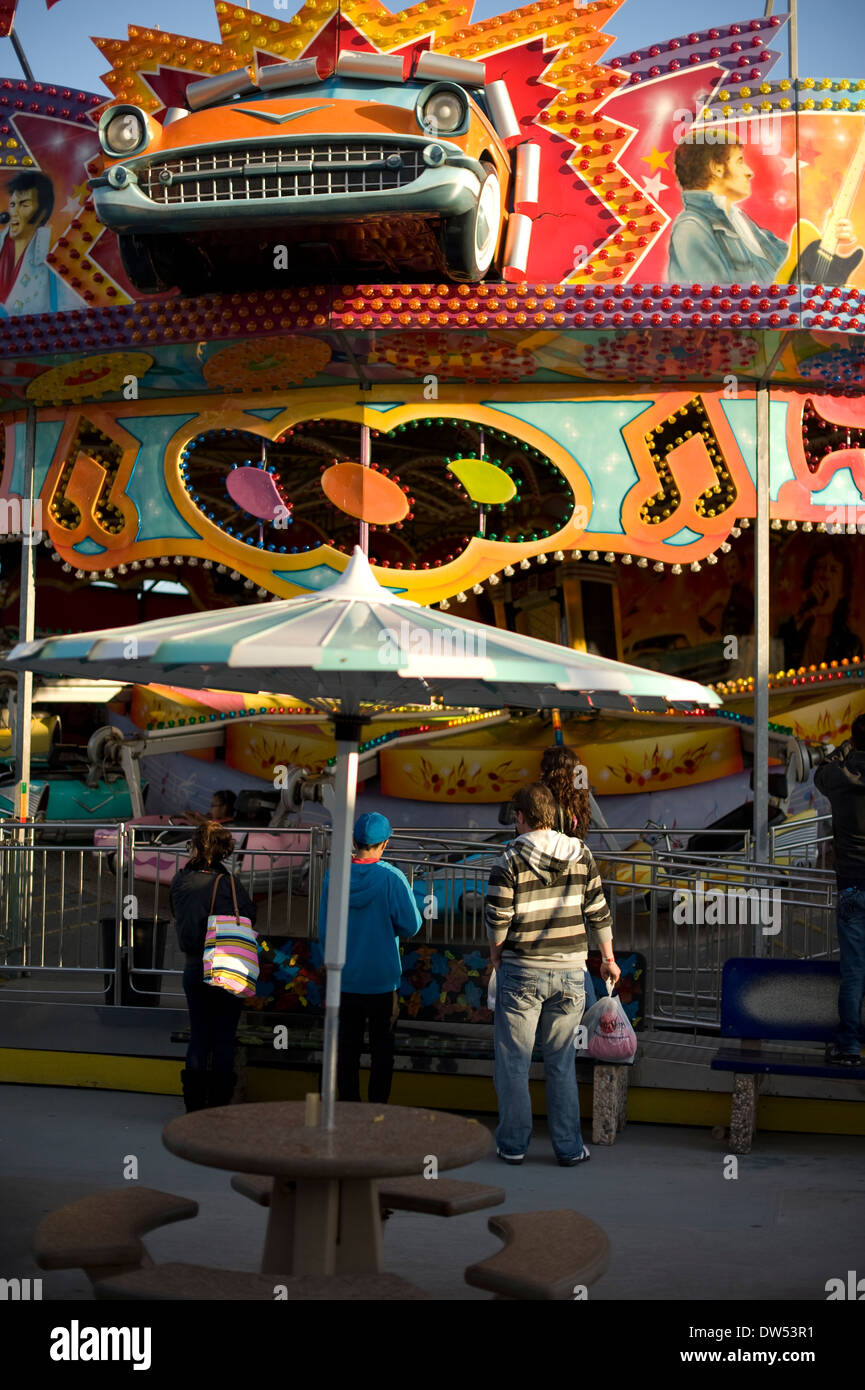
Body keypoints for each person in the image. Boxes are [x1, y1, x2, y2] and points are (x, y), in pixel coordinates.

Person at [485, 782, 620, 1166]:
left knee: (514, 1061)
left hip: (522, 970)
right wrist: (608, 958)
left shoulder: (508, 857)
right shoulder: (581, 854)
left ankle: (513, 1145)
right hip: (572, 974)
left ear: (522, 817)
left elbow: (498, 917)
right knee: (561, 1062)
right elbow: (598, 911)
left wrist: (496, 957)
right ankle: (569, 1148)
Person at [318, 811, 422, 1102]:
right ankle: (377, 1112)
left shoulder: (333, 876)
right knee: (382, 1052)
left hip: (344, 979)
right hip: (382, 982)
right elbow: (411, 925)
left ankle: (349, 1110)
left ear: (354, 840)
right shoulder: (393, 878)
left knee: (346, 1050)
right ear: (385, 843)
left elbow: (324, 930)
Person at [668, 138, 859, 285]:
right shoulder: (691, 228)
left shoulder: (739, 220)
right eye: (740, 161)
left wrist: (828, 236)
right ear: (716, 168)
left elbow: (788, 268)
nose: (749, 171)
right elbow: (714, 302)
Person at [170, 819, 257, 1111]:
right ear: (223, 851)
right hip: (225, 965)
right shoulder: (228, 883)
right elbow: (248, 915)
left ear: (195, 846)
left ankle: (193, 1107)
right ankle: (219, 1108)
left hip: (193, 966)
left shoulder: (180, 880)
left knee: (199, 1035)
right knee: (223, 1036)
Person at [814, 715, 865, 1064]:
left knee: (854, 970)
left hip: (851, 885)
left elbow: (819, 772)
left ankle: (848, 1046)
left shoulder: (839, 777)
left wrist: (844, 750)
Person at [0, 171, 83, 316]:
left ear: (42, 213)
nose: (14, 212)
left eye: (24, 205)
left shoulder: (55, 256)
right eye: (12, 204)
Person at [778, 550, 863, 670]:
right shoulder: (792, 629)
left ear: (842, 590)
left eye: (833, 570)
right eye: (819, 568)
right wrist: (806, 611)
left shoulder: (850, 644)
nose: (825, 575)